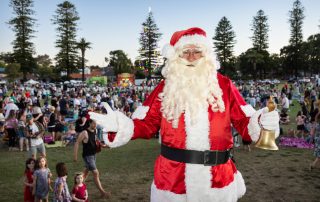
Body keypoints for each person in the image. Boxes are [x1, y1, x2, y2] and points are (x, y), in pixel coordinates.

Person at [89, 27, 280, 201]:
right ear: (175, 56)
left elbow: (246, 125)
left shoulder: (224, 85)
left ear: (206, 55)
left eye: (197, 51)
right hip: (173, 183)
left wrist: (263, 122)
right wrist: (120, 126)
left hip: (218, 182)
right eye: (185, 52)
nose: (191, 57)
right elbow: (145, 123)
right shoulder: (165, 87)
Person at [73, 119, 110, 199]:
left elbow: (96, 141)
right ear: (90, 123)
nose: (95, 125)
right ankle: (102, 192)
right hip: (87, 156)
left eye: (96, 124)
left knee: (85, 174)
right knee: (96, 173)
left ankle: (76, 190)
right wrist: (75, 156)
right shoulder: (84, 132)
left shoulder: (95, 131)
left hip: (93, 155)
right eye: (94, 123)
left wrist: (104, 146)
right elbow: (77, 142)